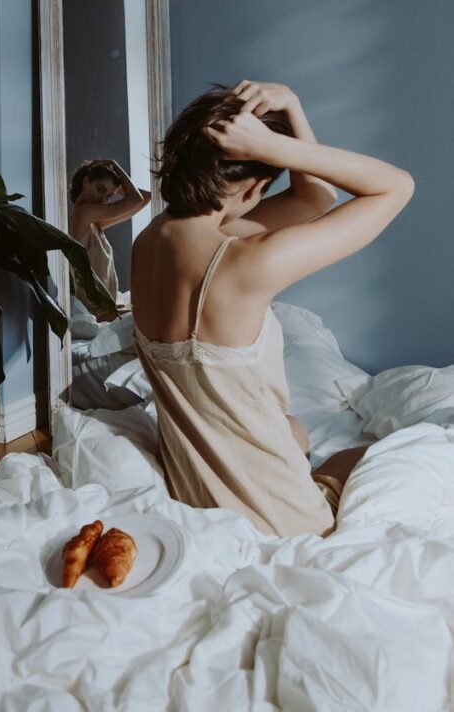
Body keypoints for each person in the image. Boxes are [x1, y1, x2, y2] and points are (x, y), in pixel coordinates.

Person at [131, 80, 414, 537]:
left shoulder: (150, 242)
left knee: (294, 429)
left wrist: (291, 111)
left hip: (199, 497)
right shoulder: (245, 263)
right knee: (381, 451)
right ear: (257, 185)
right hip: (282, 519)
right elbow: (396, 187)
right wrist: (279, 146)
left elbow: (313, 199)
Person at [69, 158, 151, 321]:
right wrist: (114, 164)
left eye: (109, 196)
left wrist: (112, 185)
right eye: (100, 189)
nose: (102, 199)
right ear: (86, 181)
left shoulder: (94, 223)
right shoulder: (82, 215)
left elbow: (146, 198)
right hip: (100, 313)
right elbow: (136, 199)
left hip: (111, 307)